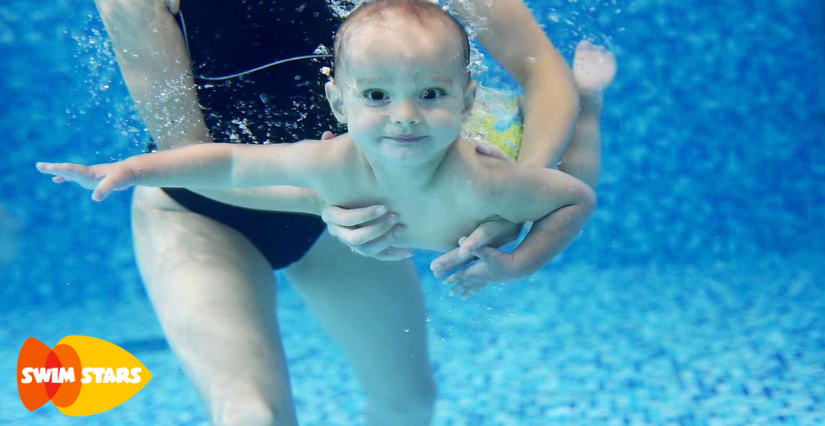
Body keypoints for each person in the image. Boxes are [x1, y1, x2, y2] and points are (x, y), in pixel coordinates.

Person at [77, 0, 609, 425]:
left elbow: (544, 74)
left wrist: (513, 193)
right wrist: (325, 201)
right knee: (250, 414)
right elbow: (191, 160)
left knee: (408, 404)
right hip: (203, 216)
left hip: (359, 208)